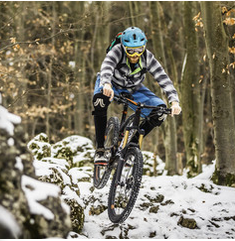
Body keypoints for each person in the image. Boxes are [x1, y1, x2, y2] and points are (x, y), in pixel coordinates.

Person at [92, 26, 181, 165]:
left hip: (134, 88)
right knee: (99, 101)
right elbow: (107, 67)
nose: (135, 54)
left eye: (139, 50)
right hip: (111, 84)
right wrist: (106, 84)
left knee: (160, 112)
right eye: (131, 51)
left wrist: (174, 101)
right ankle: (100, 149)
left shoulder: (147, 57)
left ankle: (132, 146)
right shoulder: (117, 51)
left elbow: (163, 78)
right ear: (124, 47)